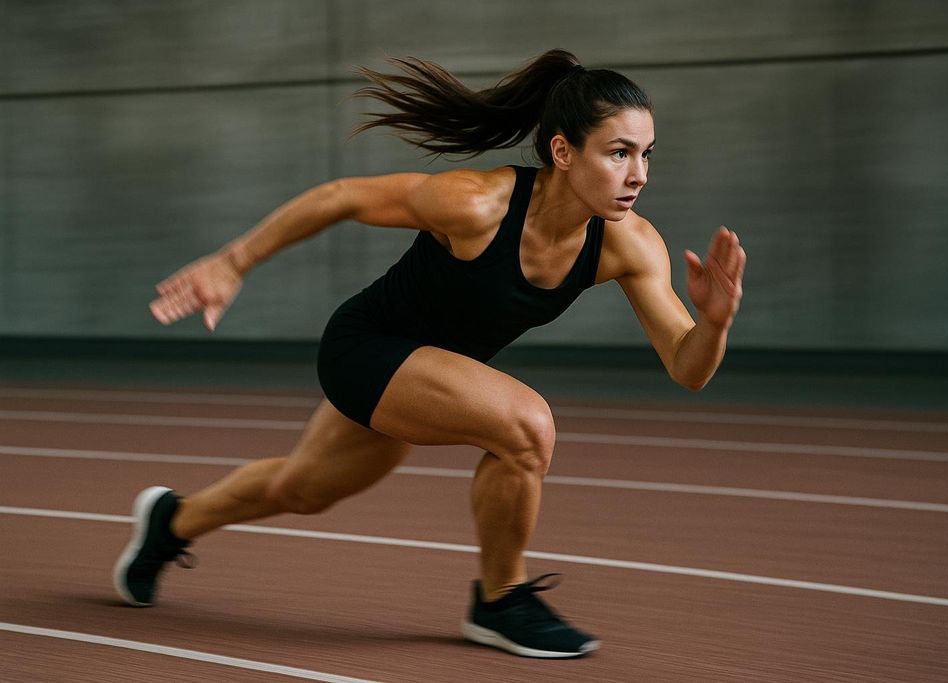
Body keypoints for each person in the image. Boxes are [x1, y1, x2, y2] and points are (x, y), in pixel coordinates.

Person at [113, 48, 745, 659]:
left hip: (431, 375)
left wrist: (714, 322)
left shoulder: (629, 246)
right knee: (526, 427)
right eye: (618, 153)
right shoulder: (476, 203)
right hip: (368, 348)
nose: (638, 174)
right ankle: (500, 601)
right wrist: (232, 262)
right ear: (562, 151)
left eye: (645, 155)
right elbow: (342, 197)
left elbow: (687, 368)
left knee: (300, 489)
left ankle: (171, 521)